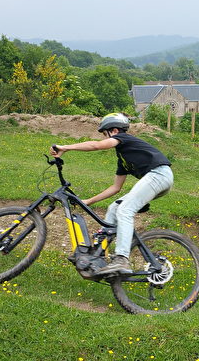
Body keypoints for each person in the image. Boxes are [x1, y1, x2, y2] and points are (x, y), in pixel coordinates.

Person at [50, 113, 173, 275]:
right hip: (157, 180)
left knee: (125, 210)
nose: (104, 138)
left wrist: (65, 147)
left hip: (159, 175)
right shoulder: (123, 157)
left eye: (105, 134)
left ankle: (122, 259)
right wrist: (89, 201)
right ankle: (98, 255)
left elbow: (96, 146)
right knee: (114, 209)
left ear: (114, 131)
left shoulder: (124, 138)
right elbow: (115, 188)